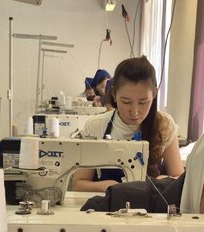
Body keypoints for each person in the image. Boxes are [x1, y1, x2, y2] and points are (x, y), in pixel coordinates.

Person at [72, 56, 184, 192]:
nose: (135, 112)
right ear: (114, 94)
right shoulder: (96, 126)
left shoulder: (164, 124)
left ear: (154, 93)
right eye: (126, 102)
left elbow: (179, 178)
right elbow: (78, 184)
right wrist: (109, 187)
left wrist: (162, 182)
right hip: (108, 202)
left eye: (143, 102)